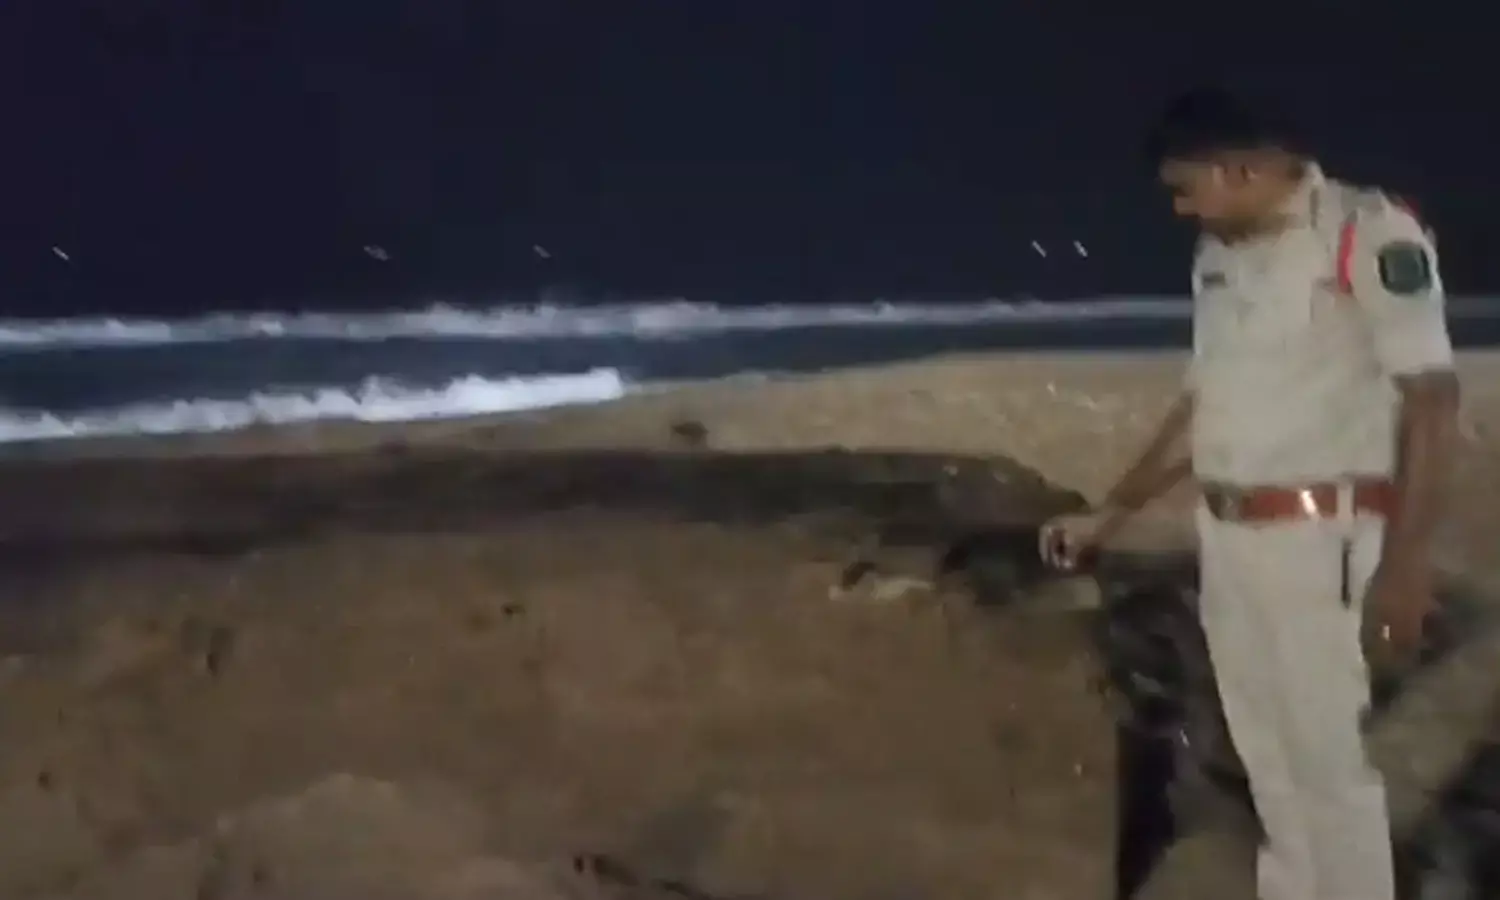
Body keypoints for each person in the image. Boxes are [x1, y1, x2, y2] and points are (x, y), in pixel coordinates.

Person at [1040, 88, 1461, 900]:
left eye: (1185, 187)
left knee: (1327, 766)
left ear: (1242, 170)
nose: (1178, 208)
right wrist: (1113, 511)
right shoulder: (1220, 254)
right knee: (1265, 757)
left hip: (1322, 541)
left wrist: (1408, 564)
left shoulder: (1365, 232)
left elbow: (1432, 399)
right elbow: (1205, 404)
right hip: (1230, 536)